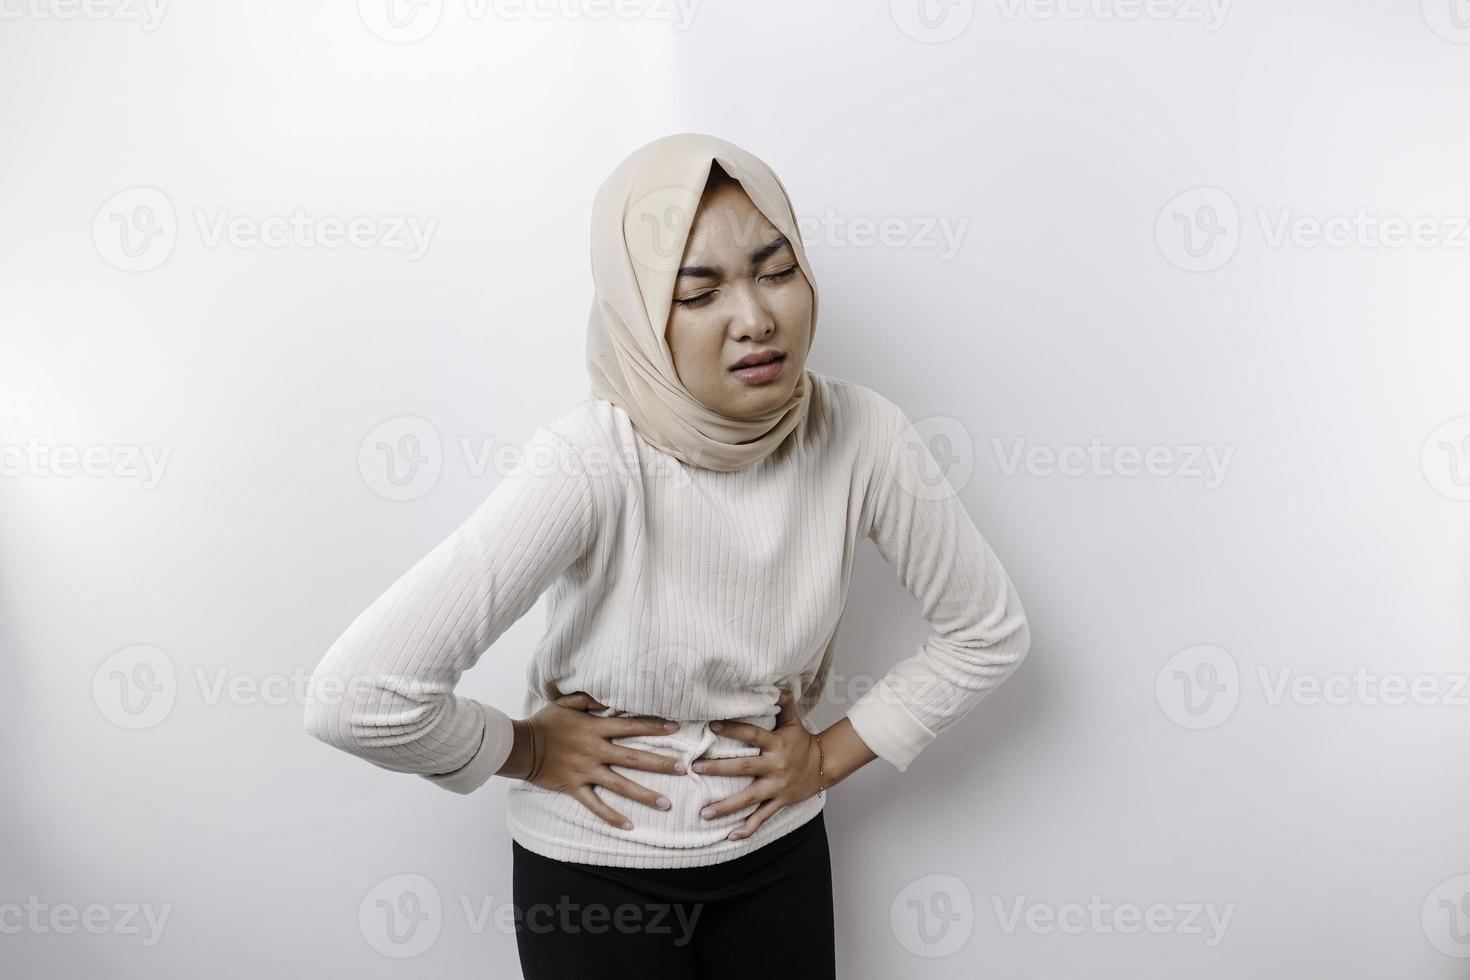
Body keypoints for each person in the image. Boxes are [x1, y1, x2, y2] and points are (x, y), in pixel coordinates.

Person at [304, 132, 1032, 978]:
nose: (755, 318)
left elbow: (987, 631)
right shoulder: (590, 461)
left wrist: (830, 755)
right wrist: (527, 751)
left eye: (775, 269)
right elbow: (357, 696)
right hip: (593, 878)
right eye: (700, 292)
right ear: (641, 316)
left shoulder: (863, 433)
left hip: (779, 856)